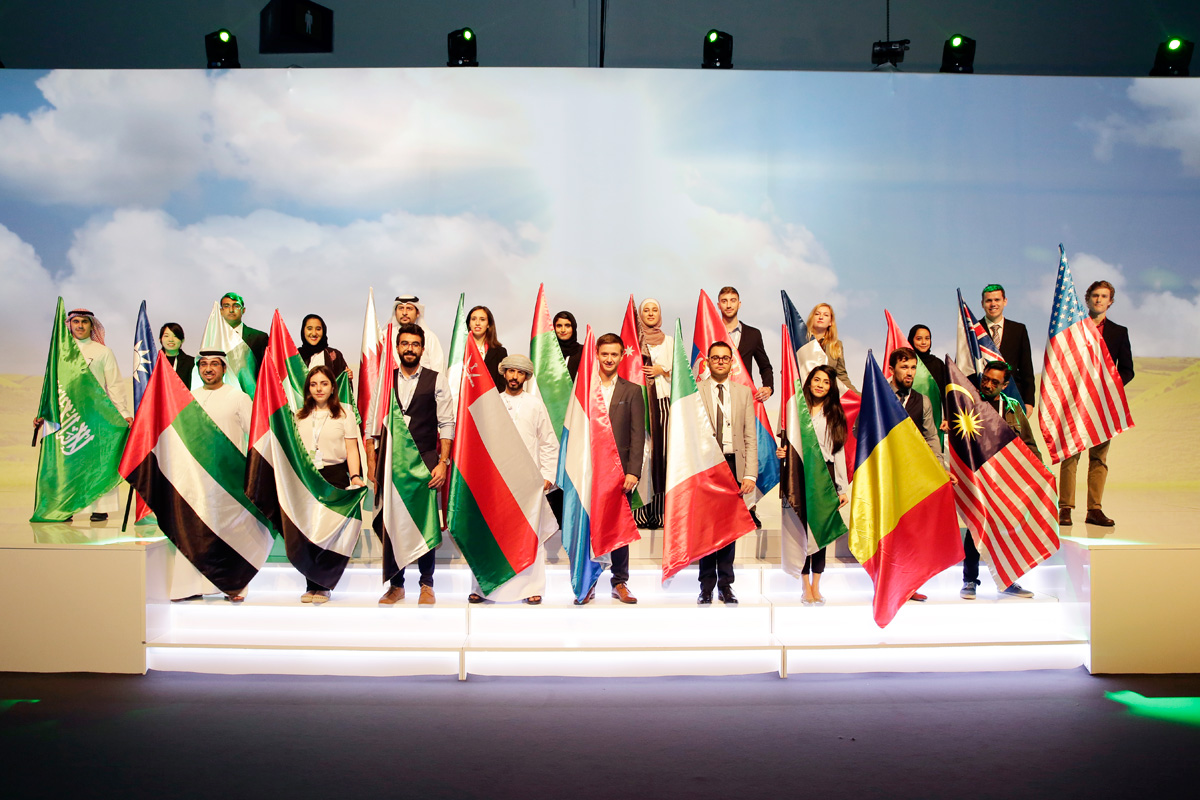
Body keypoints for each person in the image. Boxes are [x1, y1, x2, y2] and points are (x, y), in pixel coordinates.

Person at [373, 324, 454, 606]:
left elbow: (447, 423)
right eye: (405, 343)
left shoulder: (437, 379)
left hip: (425, 462)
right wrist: (373, 464)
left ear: (422, 348)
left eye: (415, 344)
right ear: (397, 348)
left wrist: (443, 462)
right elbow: (373, 424)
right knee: (393, 525)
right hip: (392, 464)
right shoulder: (386, 380)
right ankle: (396, 586)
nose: (410, 349)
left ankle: (426, 584)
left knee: (425, 524)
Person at [468, 354, 558, 605]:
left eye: (520, 372)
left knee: (530, 535)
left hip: (528, 483)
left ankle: (532, 587)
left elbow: (549, 442)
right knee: (490, 535)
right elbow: (480, 442)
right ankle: (483, 587)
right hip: (497, 481)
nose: (515, 377)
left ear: (526, 377)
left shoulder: (535, 405)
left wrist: (547, 476)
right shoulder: (492, 403)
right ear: (504, 373)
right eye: (511, 371)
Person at [174, 350, 255, 602]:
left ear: (224, 368)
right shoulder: (189, 398)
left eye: (214, 364)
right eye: (204, 364)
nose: (208, 369)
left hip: (228, 479)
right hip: (195, 478)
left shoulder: (238, 398)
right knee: (193, 532)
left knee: (229, 533)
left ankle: (234, 586)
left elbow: (256, 436)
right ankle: (190, 586)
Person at [574, 332, 646, 605]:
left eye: (614, 354)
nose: (609, 359)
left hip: (619, 473)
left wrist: (633, 471)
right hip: (588, 469)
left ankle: (619, 581)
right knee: (589, 527)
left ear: (621, 356)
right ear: (596, 355)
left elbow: (637, 435)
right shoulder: (584, 388)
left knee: (619, 527)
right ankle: (589, 582)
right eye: (604, 354)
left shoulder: (632, 391)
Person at [1058, 280, 1134, 527]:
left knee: (1099, 458)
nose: (1099, 300)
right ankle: (1065, 508)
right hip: (1076, 402)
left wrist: (1109, 388)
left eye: (1104, 296)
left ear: (1110, 302)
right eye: (1095, 295)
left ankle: (1094, 509)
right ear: (1087, 299)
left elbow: (1128, 370)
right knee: (1071, 455)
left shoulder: (1119, 332)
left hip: (1103, 404)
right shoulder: (1074, 329)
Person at [960, 361, 1039, 600]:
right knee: (976, 529)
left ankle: (1008, 580)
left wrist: (1040, 471)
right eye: (986, 378)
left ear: (1004, 385)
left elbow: (1029, 444)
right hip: (979, 479)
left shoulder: (1013, 407)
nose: (988, 384)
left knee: (1007, 531)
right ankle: (969, 580)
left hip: (1006, 480)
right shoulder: (970, 404)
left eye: (995, 382)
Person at [776, 365, 849, 606]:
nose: (820, 385)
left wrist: (841, 487)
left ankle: (816, 585)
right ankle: (804, 584)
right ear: (809, 382)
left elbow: (838, 453)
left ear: (831, 387)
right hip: (799, 473)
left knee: (821, 532)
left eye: (826, 382)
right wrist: (782, 452)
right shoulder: (796, 410)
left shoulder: (835, 414)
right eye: (817, 380)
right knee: (802, 531)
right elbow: (787, 443)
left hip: (825, 476)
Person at [293, 364, 367, 604]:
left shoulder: (344, 413)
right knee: (309, 533)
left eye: (324, 384)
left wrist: (354, 476)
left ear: (333, 387)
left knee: (329, 533)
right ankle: (310, 585)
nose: (319, 388)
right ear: (308, 389)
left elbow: (351, 449)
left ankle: (323, 585)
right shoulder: (299, 415)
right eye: (314, 384)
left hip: (334, 476)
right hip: (308, 478)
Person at [888, 347, 957, 602]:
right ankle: (888, 584)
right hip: (886, 474)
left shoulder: (923, 401)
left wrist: (940, 470)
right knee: (889, 530)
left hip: (913, 475)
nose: (909, 372)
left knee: (911, 531)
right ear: (892, 369)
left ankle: (909, 584)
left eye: (912, 368)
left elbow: (931, 438)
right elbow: (860, 430)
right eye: (904, 367)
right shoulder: (879, 395)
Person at [696, 341, 757, 606]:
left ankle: (726, 585)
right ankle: (706, 586)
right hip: (707, 466)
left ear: (732, 362)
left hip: (733, 465)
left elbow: (750, 436)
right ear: (707, 362)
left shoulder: (743, 393)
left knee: (729, 529)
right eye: (715, 358)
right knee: (707, 528)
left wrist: (750, 474)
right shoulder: (695, 391)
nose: (720, 361)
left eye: (725, 358)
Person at [60, 309, 132, 522]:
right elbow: (52, 386)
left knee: (98, 462)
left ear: (92, 325)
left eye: (84, 322)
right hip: (68, 414)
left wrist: (123, 412)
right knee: (70, 463)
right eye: (76, 321)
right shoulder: (60, 352)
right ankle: (66, 506)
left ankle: (100, 508)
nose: (80, 326)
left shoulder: (103, 352)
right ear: (69, 324)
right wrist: (43, 413)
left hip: (97, 415)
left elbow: (114, 384)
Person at [632, 298, 673, 529]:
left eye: (654, 310)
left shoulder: (670, 341)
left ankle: (659, 513)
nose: (650, 313)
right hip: (640, 403)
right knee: (642, 456)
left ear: (660, 314)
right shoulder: (633, 341)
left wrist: (662, 370)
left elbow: (682, 374)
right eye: (645, 310)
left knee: (661, 456)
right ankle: (639, 513)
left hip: (662, 403)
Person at [980, 284, 1035, 415]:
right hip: (981, 399)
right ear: (982, 303)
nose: (993, 304)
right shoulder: (973, 330)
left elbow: (1026, 369)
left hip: (1012, 398)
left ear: (1005, 301)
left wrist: (1029, 402)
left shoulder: (1019, 330)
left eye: (997, 300)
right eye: (989, 300)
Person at [717, 286, 773, 401]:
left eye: (733, 300)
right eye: (724, 301)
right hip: (716, 397)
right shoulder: (710, 333)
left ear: (739, 304)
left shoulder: (753, 334)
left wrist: (768, 387)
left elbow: (765, 367)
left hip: (744, 397)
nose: (729, 305)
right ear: (719, 305)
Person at [807, 302, 857, 393]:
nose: (821, 317)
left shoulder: (836, 345)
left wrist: (857, 396)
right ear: (811, 318)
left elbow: (841, 375)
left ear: (830, 322)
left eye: (826, 315)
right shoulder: (801, 342)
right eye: (817, 314)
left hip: (826, 395)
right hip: (804, 393)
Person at [392, 295, 446, 373]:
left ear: (417, 313)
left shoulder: (429, 337)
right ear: (395, 313)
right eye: (401, 308)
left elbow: (439, 369)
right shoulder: (384, 337)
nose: (404, 313)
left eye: (409, 308)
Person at [219, 292, 269, 370]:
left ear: (243, 310)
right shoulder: (214, 336)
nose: (231, 310)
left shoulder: (259, 337)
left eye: (236, 306)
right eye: (226, 306)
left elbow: (266, 368)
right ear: (221, 311)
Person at [297, 313, 351, 380]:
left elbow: (341, 383)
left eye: (318, 329)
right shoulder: (295, 356)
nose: (314, 333)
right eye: (309, 329)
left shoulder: (335, 355)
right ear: (303, 331)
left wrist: (347, 377)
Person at [466, 305, 508, 390]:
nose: (477, 323)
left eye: (482, 319)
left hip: (491, 397)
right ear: (469, 323)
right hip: (465, 396)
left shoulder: (500, 352)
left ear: (488, 324)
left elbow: (502, 384)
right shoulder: (461, 350)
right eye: (473, 319)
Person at [908, 324, 948, 396]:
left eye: (927, 338)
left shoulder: (938, 364)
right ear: (911, 340)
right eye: (919, 339)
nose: (924, 342)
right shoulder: (907, 362)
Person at [159, 323, 194, 388]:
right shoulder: (154, 362)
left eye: (175, 336)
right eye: (166, 336)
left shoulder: (192, 362)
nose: (171, 340)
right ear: (160, 339)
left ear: (182, 340)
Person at [554, 311, 584, 381]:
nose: (563, 330)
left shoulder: (583, 351)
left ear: (573, 327)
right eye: (559, 326)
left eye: (567, 326)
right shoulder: (549, 351)